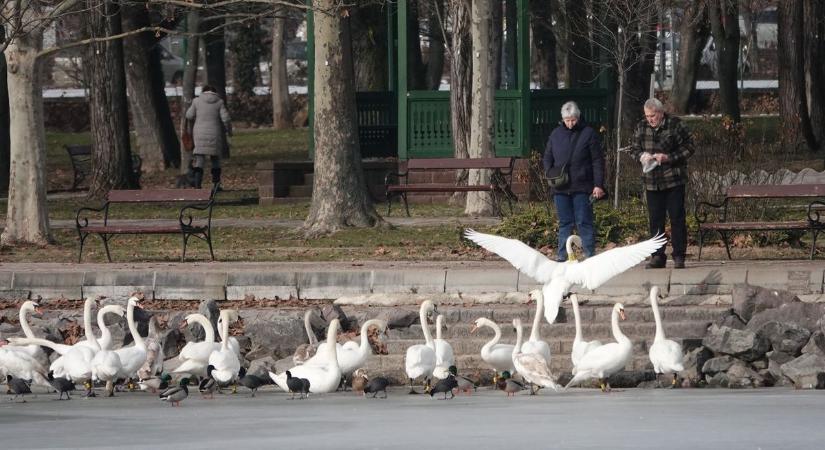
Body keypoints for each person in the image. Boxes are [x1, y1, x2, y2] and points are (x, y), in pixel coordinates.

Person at [630, 98, 695, 269]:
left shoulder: (675, 125)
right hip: (652, 181)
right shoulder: (641, 126)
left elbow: (690, 147)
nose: (650, 119)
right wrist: (640, 156)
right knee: (655, 220)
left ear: (660, 113)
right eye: (647, 116)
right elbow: (633, 148)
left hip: (673, 179)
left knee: (677, 218)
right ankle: (658, 256)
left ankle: (679, 255)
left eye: (652, 116)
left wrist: (668, 158)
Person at [543, 101, 606, 261]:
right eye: (567, 120)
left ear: (578, 117)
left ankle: (589, 255)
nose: (570, 123)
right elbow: (548, 156)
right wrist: (550, 172)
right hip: (561, 186)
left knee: (584, 222)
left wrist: (598, 184)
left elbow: (597, 161)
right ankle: (562, 256)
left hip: (582, 186)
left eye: (573, 120)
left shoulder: (588, 133)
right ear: (562, 119)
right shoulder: (556, 134)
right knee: (565, 223)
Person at [185, 85, 232, 189]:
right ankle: (216, 185)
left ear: (203, 91)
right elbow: (226, 119)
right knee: (215, 159)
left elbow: (189, 115)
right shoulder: (219, 102)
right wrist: (229, 131)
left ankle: (197, 184)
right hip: (214, 133)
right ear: (214, 92)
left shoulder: (196, 101)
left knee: (200, 160)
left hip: (199, 133)